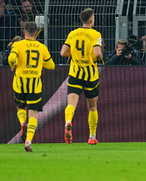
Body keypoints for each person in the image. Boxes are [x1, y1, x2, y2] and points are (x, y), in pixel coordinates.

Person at [8, 22, 55, 152]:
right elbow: (51, 66)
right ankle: (28, 140)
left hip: (19, 83)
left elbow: (11, 58)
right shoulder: (41, 47)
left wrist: (14, 65)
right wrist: (41, 62)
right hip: (35, 84)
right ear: (36, 33)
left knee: (21, 107)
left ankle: (23, 122)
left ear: (24, 32)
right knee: (33, 114)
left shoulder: (17, 44)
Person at [60, 8, 103, 145]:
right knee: (92, 107)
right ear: (91, 20)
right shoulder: (96, 34)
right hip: (90, 75)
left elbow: (63, 52)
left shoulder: (73, 33)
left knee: (71, 104)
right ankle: (92, 136)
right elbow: (97, 54)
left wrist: (76, 55)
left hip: (75, 73)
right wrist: (99, 57)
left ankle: (68, 122)